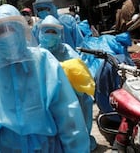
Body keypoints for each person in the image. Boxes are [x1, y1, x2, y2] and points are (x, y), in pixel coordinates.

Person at [0, 4, 89, 152]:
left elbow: (67, 113)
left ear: (22, 30)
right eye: (0, 32)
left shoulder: (43, 61)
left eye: (11, 28)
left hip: (48, 147)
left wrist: (76, 149)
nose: (7, 35)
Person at [38, 15, 97, 151]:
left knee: (84, 102)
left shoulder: (66, 50)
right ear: (40, 33)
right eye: (47, 31)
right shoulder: (38, 53)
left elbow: (80, 70)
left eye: (54, 32)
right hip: (47, 95)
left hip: (68, 93)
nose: (50, 35)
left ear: (60, 34)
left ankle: (82, 138)